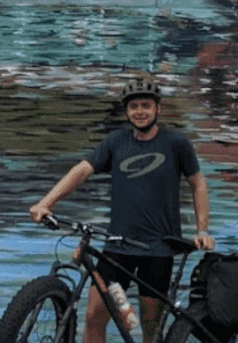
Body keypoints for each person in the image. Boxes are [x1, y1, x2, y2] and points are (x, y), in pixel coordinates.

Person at [29, 79, 215, 343]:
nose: (140, 111)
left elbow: (198, 184)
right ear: (127, 111)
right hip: (117, 251)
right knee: (94, 317)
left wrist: (202, 230)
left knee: (149, 332)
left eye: (146, 106)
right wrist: (46, 202)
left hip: (158, 251)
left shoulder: (176, 143)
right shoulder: (116, 142)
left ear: (158, 109)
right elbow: (81, 170)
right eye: (134, 106)